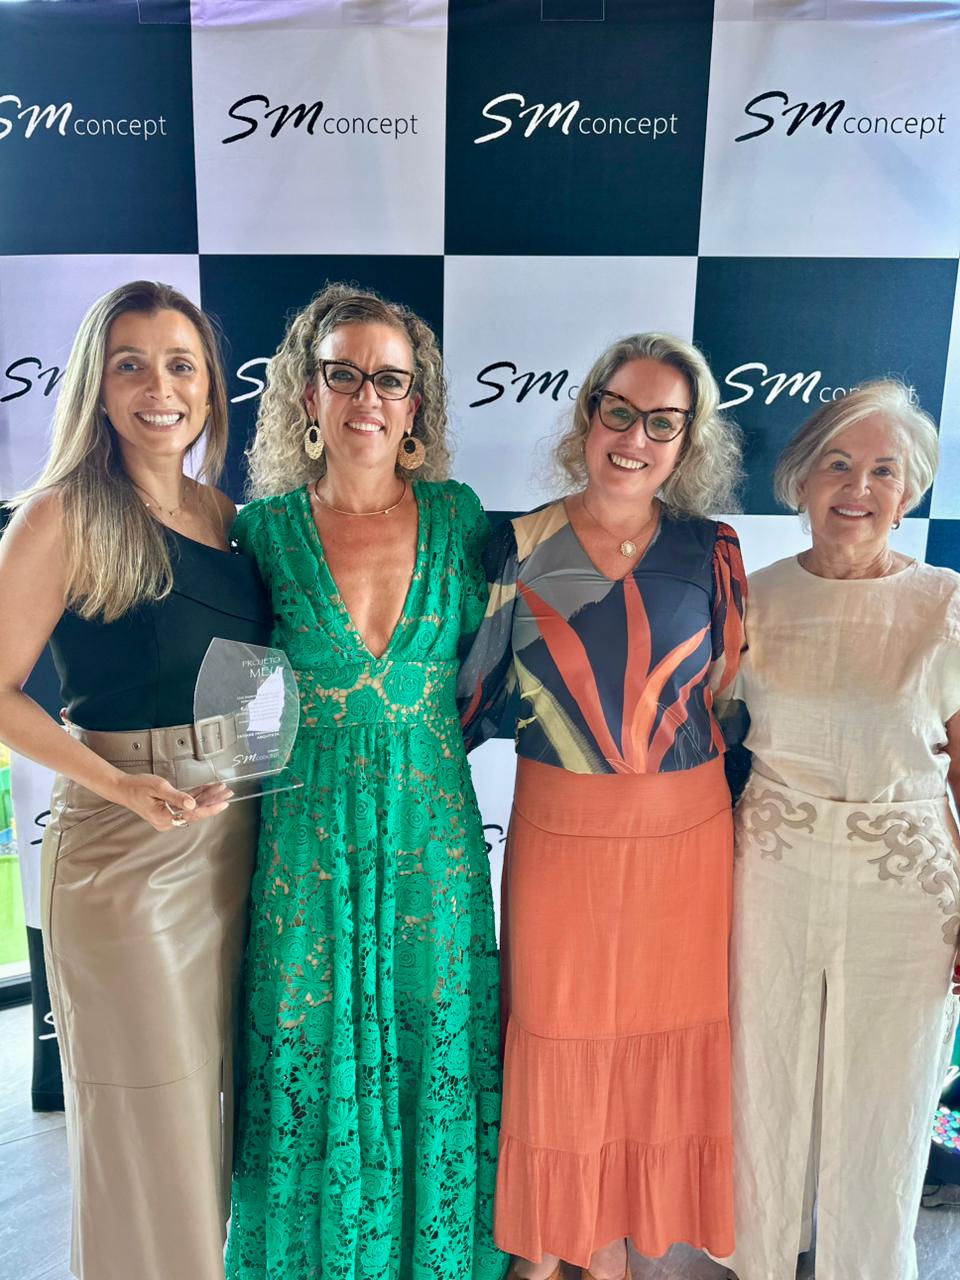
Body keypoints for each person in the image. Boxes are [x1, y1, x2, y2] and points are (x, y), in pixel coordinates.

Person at [225, 284, 505, 1280]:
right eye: (343, 373)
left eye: (390, 378)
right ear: (308, 394)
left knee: (438, 1035)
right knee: (309, 1042)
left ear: (415, 402)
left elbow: (503, 670)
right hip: (308, 846)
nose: (367, 397)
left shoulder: (460, 519)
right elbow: (241, 708)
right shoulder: (261, 532)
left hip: (433, 838)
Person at [459, 333, 747, 1280]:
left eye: (664, 423)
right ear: (589, 414)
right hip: (562, 834)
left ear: (688, 441)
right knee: (558, 1030)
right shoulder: (521, 545)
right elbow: (475, 697)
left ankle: (619, 1232)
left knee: (655, 1037)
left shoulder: (711, 549)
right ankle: (551, 1241)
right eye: (619, 411)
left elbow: (727, 698)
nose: (636, 438)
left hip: (684, 838)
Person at [0, 280, 272, 1280]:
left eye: (180, 365)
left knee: (220, 1126)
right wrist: (118, 786)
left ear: (209, 387)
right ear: (98, 386)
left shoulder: (229, 518)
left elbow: (253, 676)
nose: (160, 388)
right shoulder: (60, 515)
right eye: (132, 365)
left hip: (239, 835)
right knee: (149, 1135)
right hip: (127, 851)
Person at [721, 381, 960, 1280]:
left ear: (910, 493)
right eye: (838, 463)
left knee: (887, 1095)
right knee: (763, 1078)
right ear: (801, 479)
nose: (859, 487)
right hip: (773, 867)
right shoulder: (751, 599)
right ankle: (759, 1260)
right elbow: (705, 733)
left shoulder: (945, 604)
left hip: (909, 884)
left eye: (884, 471)